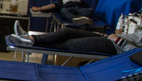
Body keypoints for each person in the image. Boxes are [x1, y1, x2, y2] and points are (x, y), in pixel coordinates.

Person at [9, 20, 142, 55]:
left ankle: (28, 41)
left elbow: (137, 55)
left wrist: (118, 40)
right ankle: (29, 39)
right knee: (67, 32)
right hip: (110, 38)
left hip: (114, 46)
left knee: (67, 45)